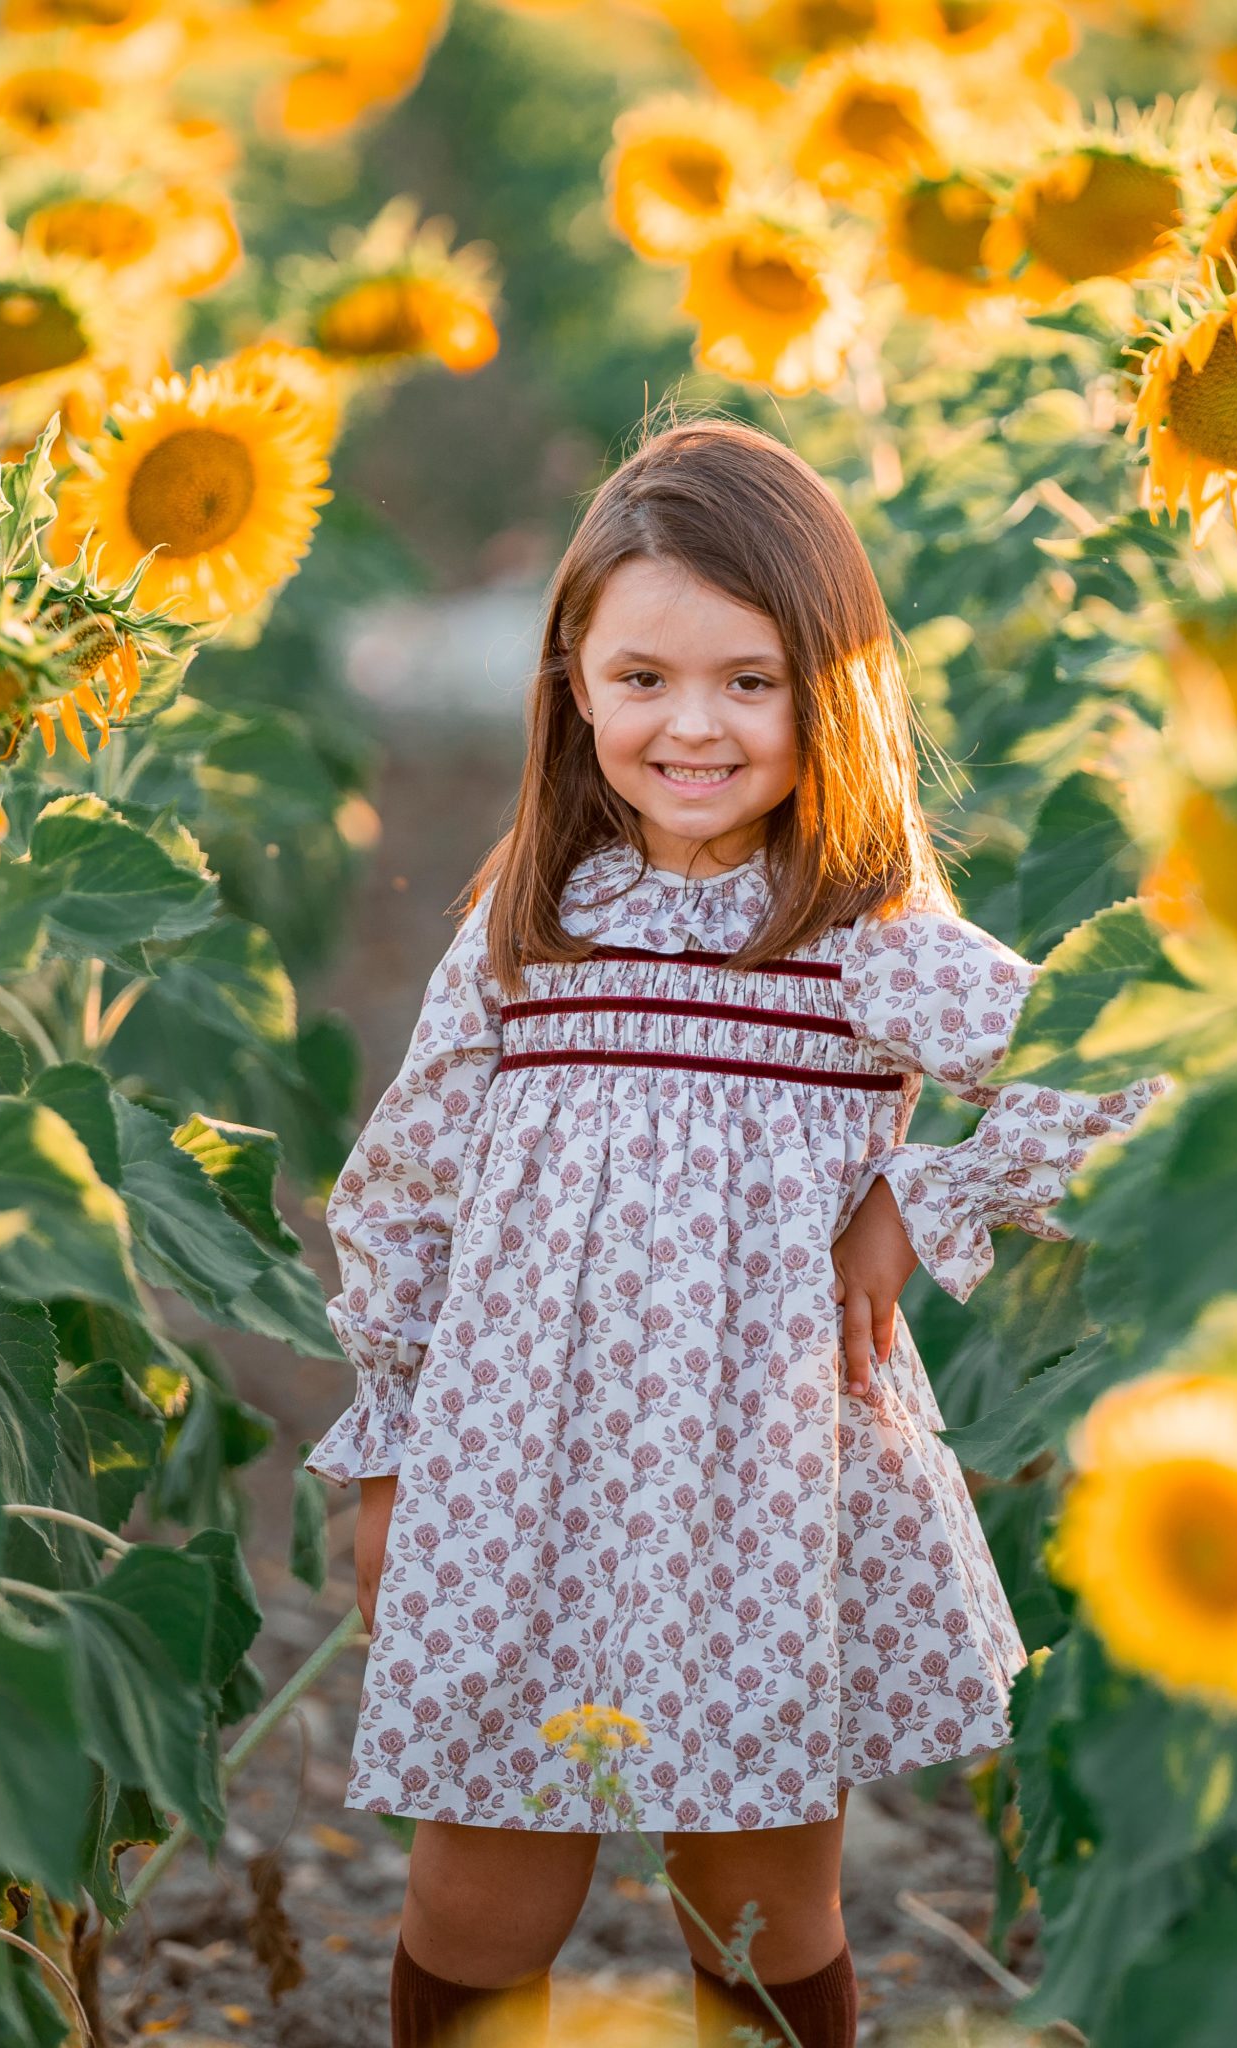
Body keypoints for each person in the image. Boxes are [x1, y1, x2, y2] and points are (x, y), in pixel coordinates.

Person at [304, 414, 1166, 2048]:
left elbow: (1120, 1070)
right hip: (515, 1481)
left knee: (760, 1913)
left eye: (749, 683)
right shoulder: (529, 928)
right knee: (475, 1906)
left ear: (827, 693)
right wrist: (392, 1455)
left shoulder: (862, 940)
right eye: (643, 680)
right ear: (571, 683)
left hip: (759, 1498)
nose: (692, 725)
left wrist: (920, 1202)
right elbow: (407, 1195)